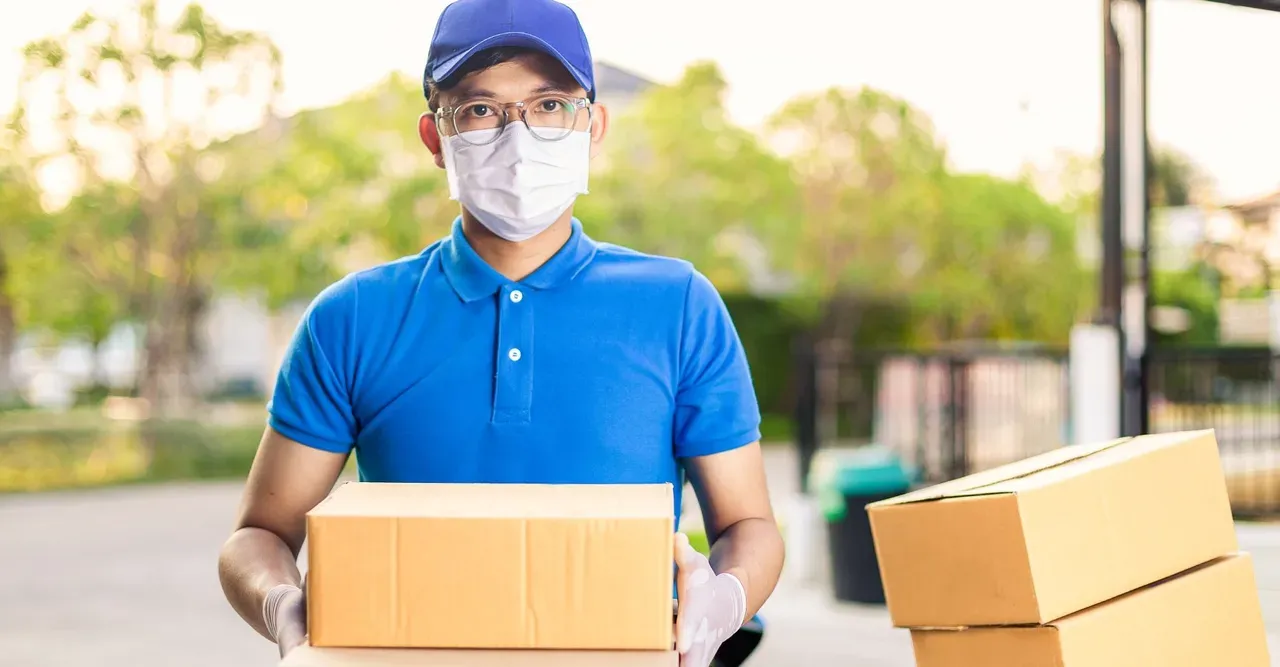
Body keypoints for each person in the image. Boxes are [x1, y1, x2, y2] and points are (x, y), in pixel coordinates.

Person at [216, 1, 785, 665]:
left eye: (548, 106)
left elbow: (749, 524)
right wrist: (285, 607)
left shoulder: (679, 305)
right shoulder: (353, 317)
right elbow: (259, 533)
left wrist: (724, 598)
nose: (518, 137)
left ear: (593, 126)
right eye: (480, 110)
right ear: (435, 138)